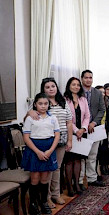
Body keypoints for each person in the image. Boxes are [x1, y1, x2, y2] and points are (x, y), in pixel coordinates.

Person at [25, 78, 73, 208]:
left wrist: (69, 140)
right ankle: (45, 199)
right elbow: (28, 116)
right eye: (47, 87)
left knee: (56, 168)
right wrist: (29, 111)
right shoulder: (42, 102)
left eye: (53, 86)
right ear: (43, 89)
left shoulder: (63, 102)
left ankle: (56, 195)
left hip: (61, 138)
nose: (51, 88)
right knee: (47, 170)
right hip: (45, 140)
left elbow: (69, 122)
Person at [22, 93, 60, 215]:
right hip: (34, 150)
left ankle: (44, 202)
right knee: (35, 178)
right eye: (40, 103)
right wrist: (37, 152)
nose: (43, 106)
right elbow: (26, 137)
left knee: (45, 177)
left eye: (45, 104)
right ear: (35, 104)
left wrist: (50, 151)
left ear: (49, 105)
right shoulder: (30, 118)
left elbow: (57, 135)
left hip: (49, 149)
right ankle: (33, 204)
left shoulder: (53, 118)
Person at [63, 77, 90, 196]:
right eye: (73, 84)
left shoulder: (83, 99)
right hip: (69, 134)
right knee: (69, 161)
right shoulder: (64, 100)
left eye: (78, 85)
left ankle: (77, 184)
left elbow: (88, 116)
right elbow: (66, 118)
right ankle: (69, 186)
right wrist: (76, 130)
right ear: (69, 86)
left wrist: (83, 129)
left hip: (81, 134)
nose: (76, 87)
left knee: (78, 160)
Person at [79, 70, 106, 189]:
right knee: (81, 156)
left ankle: (92, 178)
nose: (88, 80)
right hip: (80, 129)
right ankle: (79, 180)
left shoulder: (97, 93)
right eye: (86, 77)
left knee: (92, 155)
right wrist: (84, 125)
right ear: (82, 79)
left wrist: (94, 122)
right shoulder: (77, 92)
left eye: (90, 77)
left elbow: (102, 109)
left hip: (95, 128)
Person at [99, 83, 109, 175]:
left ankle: (107, 166)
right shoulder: (101, 100)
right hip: (102, 127)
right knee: (102, 149)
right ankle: (102, 167)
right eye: (108, 89)